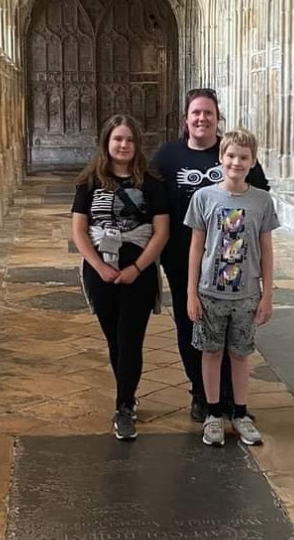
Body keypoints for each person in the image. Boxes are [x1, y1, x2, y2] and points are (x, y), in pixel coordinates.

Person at [150, 88, 271, 424]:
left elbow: (258, 198)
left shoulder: (233, 152)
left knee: (233, 332)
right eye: (196, 113)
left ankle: (231, 399)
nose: (202, 119)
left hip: (233, 264)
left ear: (218, 118)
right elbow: (154, 202)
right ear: (186, 119)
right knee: (193, 327)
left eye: (208, 113)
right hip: (183, 260)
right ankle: (201, 395)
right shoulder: (167, 156)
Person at [70, 114, 170, 442]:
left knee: (131, 338)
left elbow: (161, 232)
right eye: (117, 139)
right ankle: (127, 393)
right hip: (101, 270)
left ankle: (124, 406)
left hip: (137, 270)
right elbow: (79, 230)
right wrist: (100, 267)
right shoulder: (89, 182)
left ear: (136, 144)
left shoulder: (152, 183)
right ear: (107, 143)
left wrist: (137, 268)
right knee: (114, 338)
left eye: (129, 139)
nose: (123, 145)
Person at [185, 129, 279, 446]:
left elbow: (266, 249)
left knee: (240, 354)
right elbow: (196, 248)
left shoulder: (262, 200)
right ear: (221, 158)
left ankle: (239, 412)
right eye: (231, 156)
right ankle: (213, 414)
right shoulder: (204, 198)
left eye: (243, 157)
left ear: (252, 162)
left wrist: (267, 295)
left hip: (246, 294)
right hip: (210, 292)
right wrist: (190, 293)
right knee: (211, 352)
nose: (236, 162)